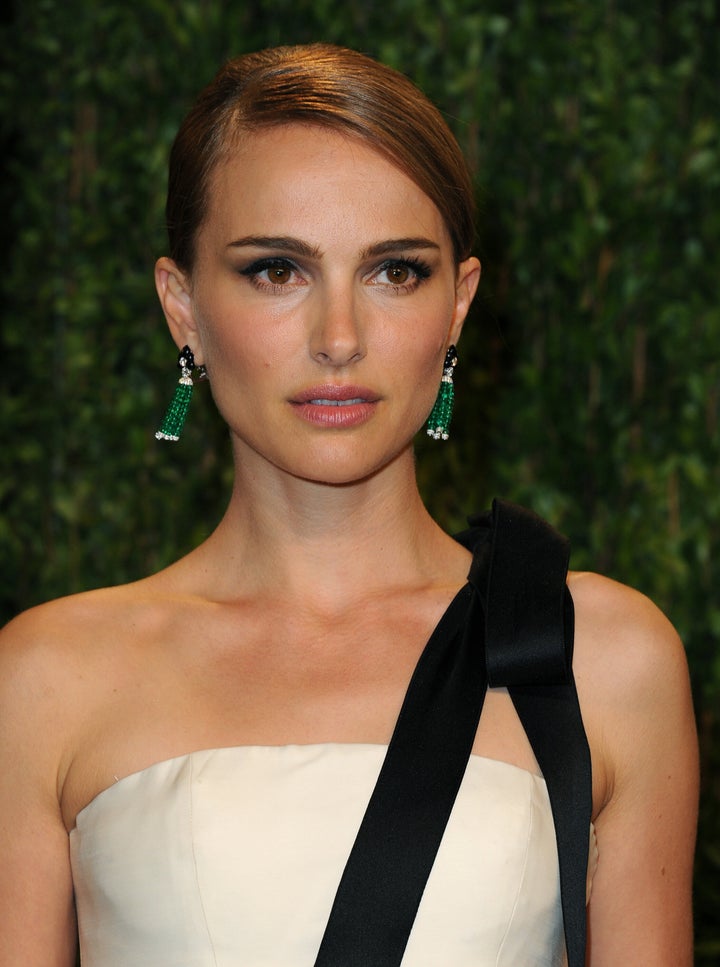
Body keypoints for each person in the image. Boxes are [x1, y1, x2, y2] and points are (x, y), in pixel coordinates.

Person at [0, 43, 698, 966]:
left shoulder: (599, 658)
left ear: (458, 304)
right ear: (182, 306)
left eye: (395, 271)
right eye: (275, 270)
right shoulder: (47, 680)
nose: (340, 337)